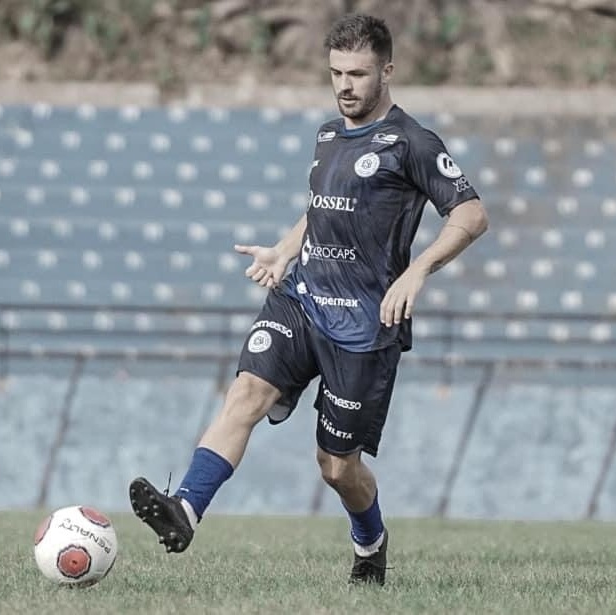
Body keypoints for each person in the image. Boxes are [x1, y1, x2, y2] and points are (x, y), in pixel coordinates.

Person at [129, 12, 489, 586]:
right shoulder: (327, 135)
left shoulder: (413, 143)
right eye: (336, 73)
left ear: (387, 71)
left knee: (337, 467)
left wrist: (417, 272)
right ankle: (186, 509)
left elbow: (472, 215)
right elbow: (326, 207)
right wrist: (284, 250)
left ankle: (370, 543)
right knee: (245, 393)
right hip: (302, 300)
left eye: (358, 73)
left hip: (365, 328)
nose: (345, 85)